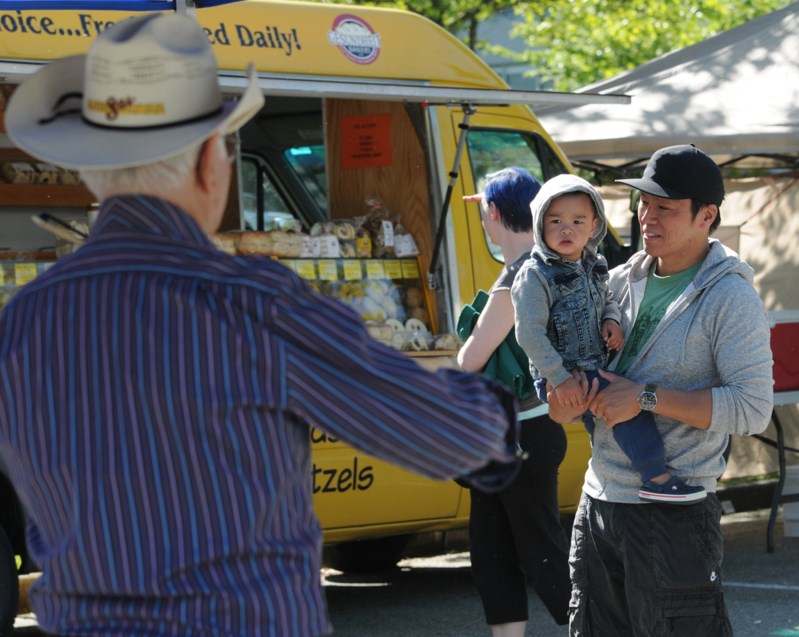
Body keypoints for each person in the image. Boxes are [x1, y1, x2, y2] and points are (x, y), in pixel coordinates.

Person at [0, 14, 522, 637]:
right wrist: (496, 410)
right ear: (208, 165)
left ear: (91, 171)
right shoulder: (250, 302)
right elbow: (452, 435)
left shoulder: (23, 318)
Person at [547, 145, 774, 636]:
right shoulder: (617, 279)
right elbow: (580, 384)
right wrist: (565, 396)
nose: (646, 217)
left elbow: (753, 409)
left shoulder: (731, 296)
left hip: (675, 513)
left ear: (706, 216)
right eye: (643, 203)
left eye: (665, 207)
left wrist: (645, 396)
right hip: (598, 502)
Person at [512, 174, 705, 504]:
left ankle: (636, 478)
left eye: (577, 221)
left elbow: (607, 298)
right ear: (539, 226)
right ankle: (656, 478)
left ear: (594, 226)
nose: (566, 229)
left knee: (619, 405)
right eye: (555, 221)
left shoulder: (593, 264)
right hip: (562, 374)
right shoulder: (535, 274)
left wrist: (611, 320)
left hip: (590, 365)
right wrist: (560, 379)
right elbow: (528, 333)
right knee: (627, 409)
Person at [457, 168, 571, 637]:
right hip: (520, 432)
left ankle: (602, 627)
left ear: (495, 213)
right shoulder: (544, 266)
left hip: (523, 433)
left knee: (541, 555)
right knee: (493, 553)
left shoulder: (518, 276)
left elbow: (470, 359)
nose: (483, 221)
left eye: (484, 211)